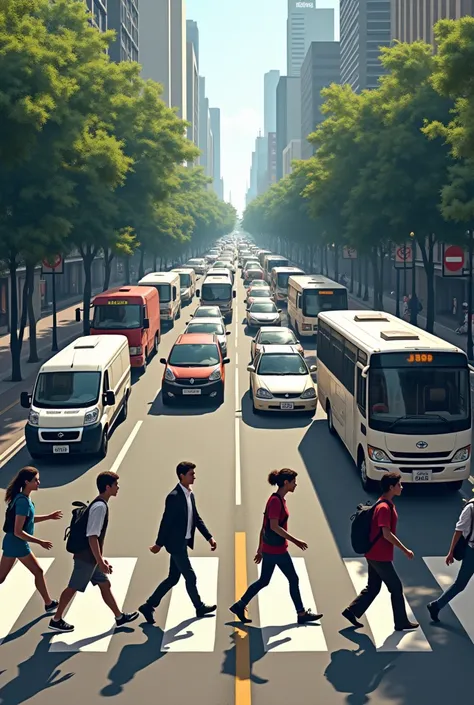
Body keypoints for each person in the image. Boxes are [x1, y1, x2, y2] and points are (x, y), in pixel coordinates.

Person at [49, 471, 139, 633]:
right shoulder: (99, 507)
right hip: (87, 558)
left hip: (91, 557)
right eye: (115, 485)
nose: (118, 487)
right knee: (72, 588)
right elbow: (92, 536)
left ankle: (119, 617)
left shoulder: (100, 504)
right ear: (107, 487)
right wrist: (100, 560)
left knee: (105, 584)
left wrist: (100, 561)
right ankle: (56, 619)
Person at [230, 468, 322, 625]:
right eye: (293, 482)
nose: (296, 484)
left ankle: (240, 605)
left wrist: (260, 549)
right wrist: (296, 541)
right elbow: (273, 526)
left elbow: (264, 526)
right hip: (276, 550)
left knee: (264, 581)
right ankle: (301, 613)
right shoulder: (275, 502)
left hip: (270, 549)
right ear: (286, 483)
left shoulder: (278, 500)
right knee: (292, 579)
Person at [138, 461, 217, 624]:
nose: (194, 476)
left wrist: (209, 537)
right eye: (191, 474)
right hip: (176, 545)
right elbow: (166, 521)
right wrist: (158, 544)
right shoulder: (174, 497)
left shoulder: (190, 494)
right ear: (182, 476)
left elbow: (196, 518)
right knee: (190, 576)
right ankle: (199, 607)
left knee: (173, 578)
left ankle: (148, 605)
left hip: (182, 543)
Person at [343, 472, 418, 632]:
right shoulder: (384, 507)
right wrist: (405, 550)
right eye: (399, 484)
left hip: (374, 554)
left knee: (373, 587)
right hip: (379, 555)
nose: (401, 487)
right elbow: (386, 533)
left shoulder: (384, 503)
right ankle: (401, 622)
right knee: (396, 587)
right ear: (391, 487)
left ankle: (352, 611)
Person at [1, 466, 62, 612]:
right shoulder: (22, 502)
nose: (39, 482)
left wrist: (48, 516)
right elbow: (18, 531)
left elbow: (28, 520)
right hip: (17, 543)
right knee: (38, 572)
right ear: (27, 482)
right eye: (36, 480)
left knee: (1, 577)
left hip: (13, 543)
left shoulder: (22, 498)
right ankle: (48, 603)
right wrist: (40, 542)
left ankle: (48, 603)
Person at [427, 500, 474, 622]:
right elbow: (458, 531)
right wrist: (451, 552)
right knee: (460, 584)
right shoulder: (470, 509)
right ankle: (436, 606)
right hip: (472, 552)